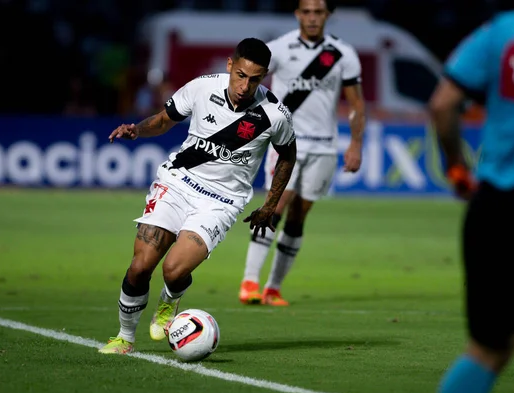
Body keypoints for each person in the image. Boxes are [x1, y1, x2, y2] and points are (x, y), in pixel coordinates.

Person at [99, 38, 297, 354]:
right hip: (177, 183)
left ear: (265, 77)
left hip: (221, 202)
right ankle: (124, 337)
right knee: (140, 267)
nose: (245, 86)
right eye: (241, 75)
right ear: (230, 66)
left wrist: (270, 205)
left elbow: (287, 156)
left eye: (255, 79)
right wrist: (137, 129)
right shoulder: (202, 88)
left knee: (174, 270)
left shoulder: (274, 114)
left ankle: (169, 301)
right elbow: (164, 120)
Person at [239, 0, 366, 306]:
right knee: (275, 205)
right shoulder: (279, 49)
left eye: (318, 12)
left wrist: (356, 144)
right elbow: (250, 82)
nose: (311, 18)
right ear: (297, 14)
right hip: (288, 143)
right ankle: (250, 281)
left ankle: (273, 288)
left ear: (328, 15)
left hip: (324, 145)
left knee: (298, 217)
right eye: (306, 12)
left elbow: (357, 105)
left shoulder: (342, 53)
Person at [428, 8, 514, 393]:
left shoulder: (500, 32)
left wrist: (457, 168)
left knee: (487, 350)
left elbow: (443, 104)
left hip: (499, 208)